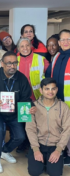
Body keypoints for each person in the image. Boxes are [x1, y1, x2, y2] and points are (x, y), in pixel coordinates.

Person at [0, 51, 37, 173]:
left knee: (20, 136)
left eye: (14, 63)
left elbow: (26, 98)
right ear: (2, 64)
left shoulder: (22, 78)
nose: (12, 66)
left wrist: (31, 107)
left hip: (14, 112)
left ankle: (4, 151)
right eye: (9, 63)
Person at [26, 78, 70, 176]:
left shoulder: (63, 107)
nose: (50, 92)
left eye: (53, 89)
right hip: (39, 144)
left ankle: (50, 162)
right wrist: (36, 150)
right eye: (47, 89)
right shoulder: (33, 107)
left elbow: (67, 130)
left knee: (55, 175)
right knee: (34, 172)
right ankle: (40, 159)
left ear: (57, 90)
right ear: (41, 90)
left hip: (55, 146)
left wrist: (58, 150)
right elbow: (30, 129)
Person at [16, 37, 49, 153]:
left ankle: (34, 146)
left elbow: (48, 77)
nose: (25, 48)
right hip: (21, 97)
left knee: (37, 123)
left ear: (31, 46)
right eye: (22, 46)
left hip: (37, 97)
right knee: (24, 121)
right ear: (18, 48)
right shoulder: (15, 60)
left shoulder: (41, 59)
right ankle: (23, 144)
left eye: (27, 45)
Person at [45, 29, 70, 165]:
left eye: (68, 39)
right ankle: (61, 152)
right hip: (57, 99)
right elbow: (49, 76)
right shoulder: (56, 57)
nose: (66, 42)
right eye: (63, 40)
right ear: (59, 42)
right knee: (60, 127)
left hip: (69, 100)